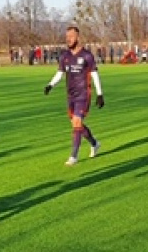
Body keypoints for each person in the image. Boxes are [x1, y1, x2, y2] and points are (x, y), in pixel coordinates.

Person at [44, 25, 104, 166]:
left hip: (84, 94)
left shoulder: (87, 56)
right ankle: (94, 144)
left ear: (78, 37)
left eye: (71, 37)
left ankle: (74, 156)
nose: (68, 39)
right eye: (67, 37)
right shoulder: (65, 56)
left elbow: (95, 74)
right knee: (77, 125)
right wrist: (50, 85)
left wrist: (100, 94)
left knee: (76, 122)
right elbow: (60, 73)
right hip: (71, 95)